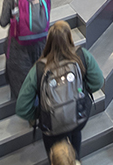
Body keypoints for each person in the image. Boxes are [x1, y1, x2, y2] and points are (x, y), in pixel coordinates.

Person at [15, 20, 103, 157]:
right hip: (77, 117)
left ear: (48, 41)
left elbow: (22, 108)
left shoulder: (38, 69)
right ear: (70, 38)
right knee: (75, 145)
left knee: (58, 162)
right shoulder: (81, 56)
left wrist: (40, 114)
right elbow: (97, 82)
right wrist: (81, 91)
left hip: (51, 125)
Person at [0, 0, 52, 100]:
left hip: (19, 47)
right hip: (42, 43)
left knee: (20, 84)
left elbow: (3, 22)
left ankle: (28, 114)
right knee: (41, 78)